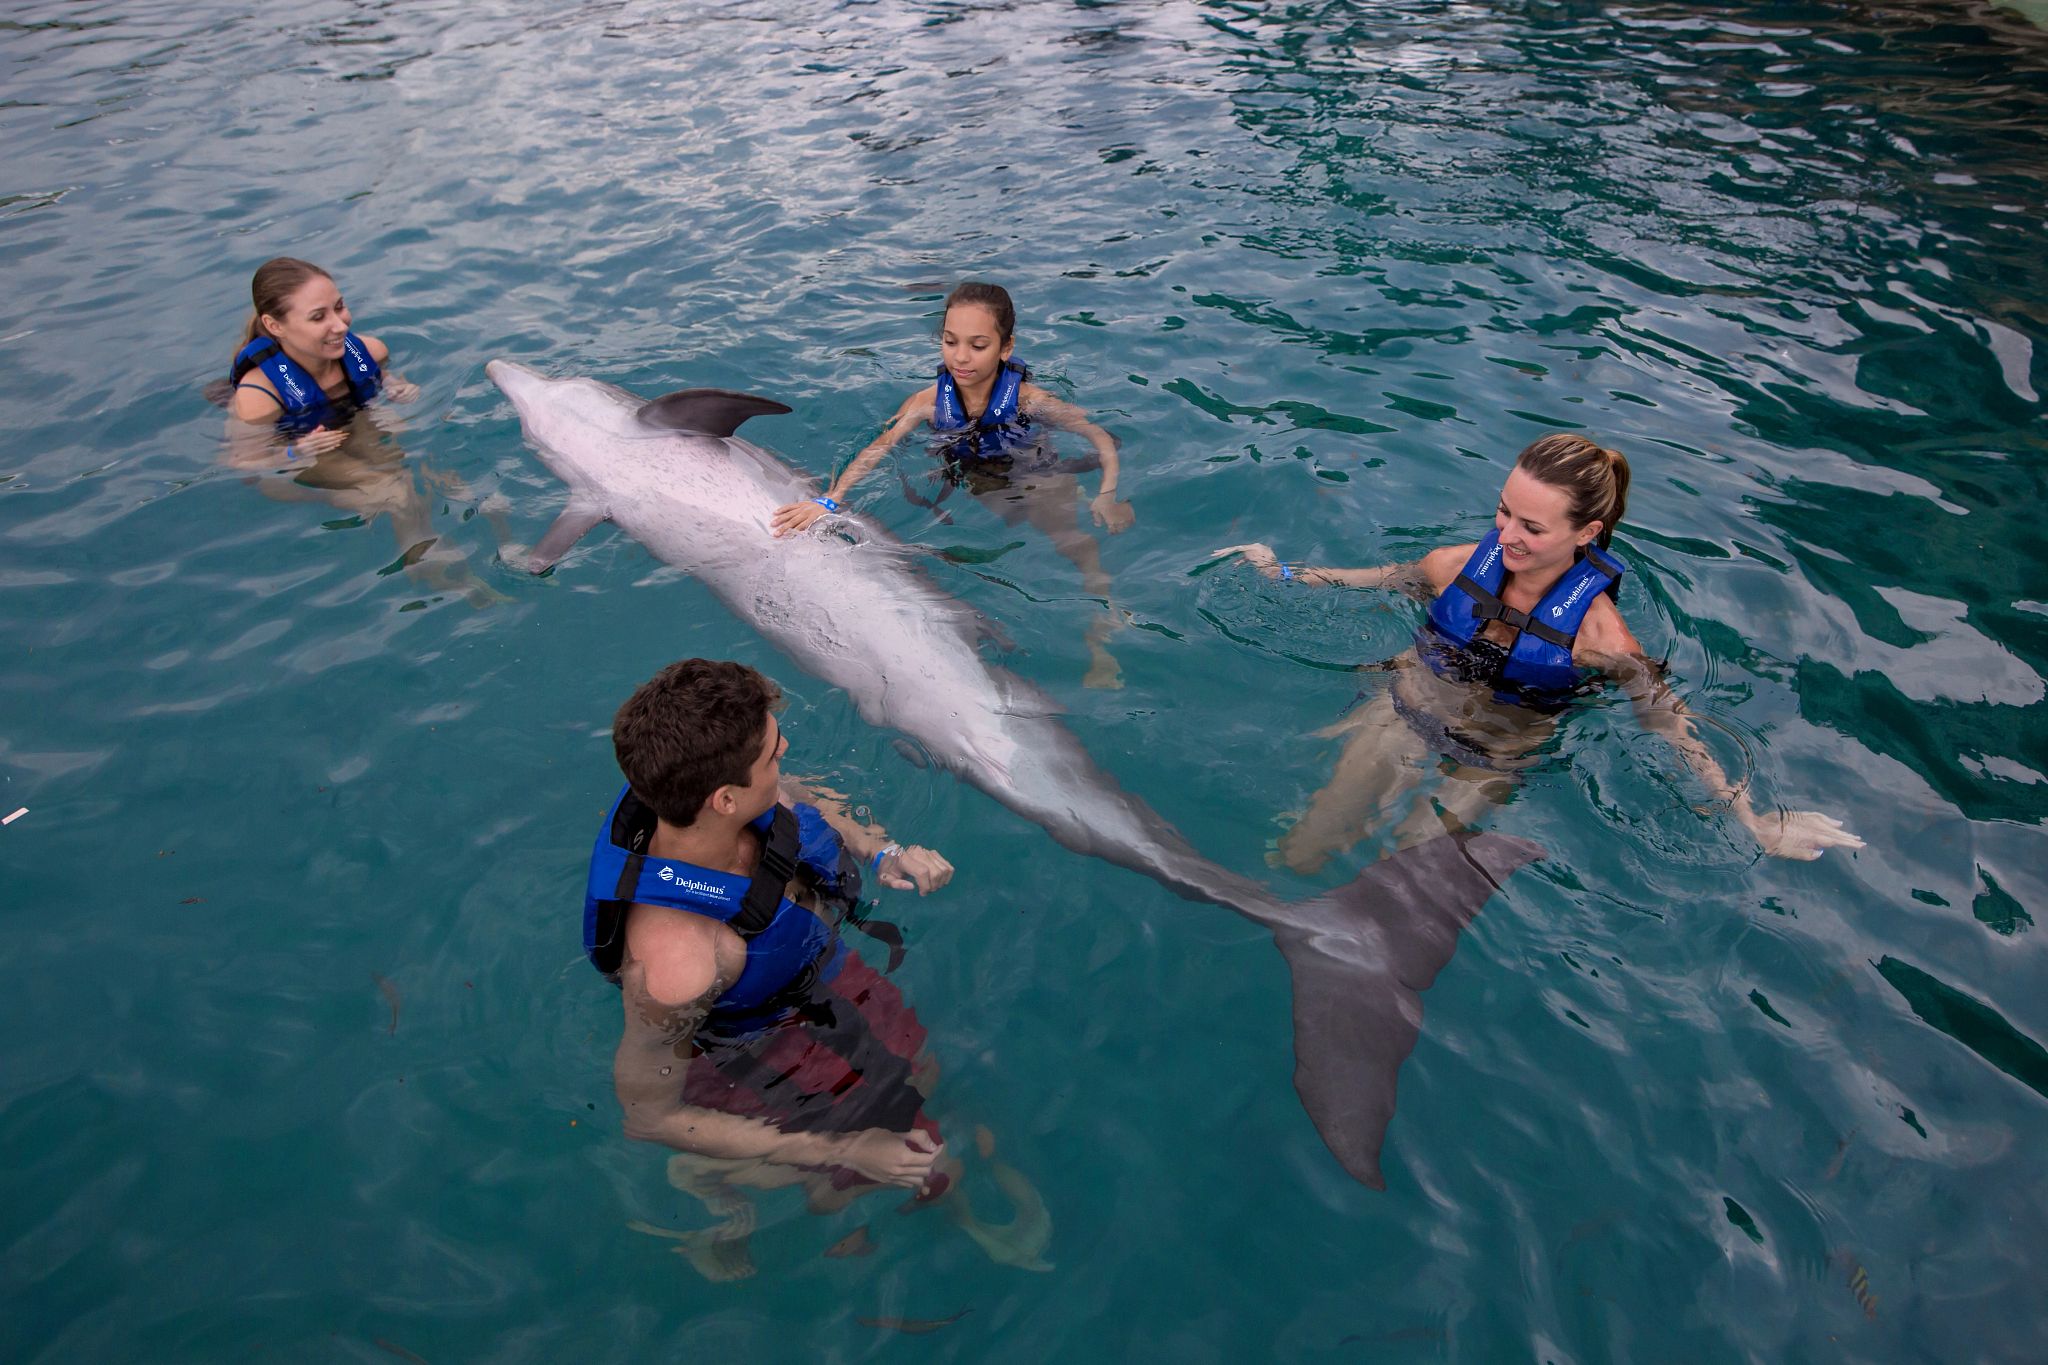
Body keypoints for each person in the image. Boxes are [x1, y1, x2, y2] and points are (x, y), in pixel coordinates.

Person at [1215, 434, 1863, 874]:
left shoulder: (1602, 638)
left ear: (1587, 533)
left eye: (1531, 526)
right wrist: (1279, 571)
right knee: (1304, 850)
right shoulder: (1454, 566)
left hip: (1495, 750)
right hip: (1405, 710)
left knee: (1403, 874)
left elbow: (1670, 723)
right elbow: (1373, 579)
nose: (1506, 535)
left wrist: (1752, 821)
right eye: (1503, 513)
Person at [593, 659, 1045, 1279]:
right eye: (772, 754)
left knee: (925, 1076)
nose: (786, 755)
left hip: (816, 975)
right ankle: (712, 1172)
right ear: (725, 800)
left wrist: (881, 851)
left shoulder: (716, 799)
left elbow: (799, 794)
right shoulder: (678, 963)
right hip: (756, 1043)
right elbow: (649, 1116)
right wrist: (844, 1147)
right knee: (890, 1174)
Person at [769, 281, 1133, 688]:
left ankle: (1105, 634)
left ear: (1006, 348)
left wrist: (1108, 496)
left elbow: (1101, 438)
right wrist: (830, 499)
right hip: (977, 483)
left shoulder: (1029, 400)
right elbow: (879, 447)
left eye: (978, 346)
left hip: (1035, 480)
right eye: (950, 341)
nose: (961, 357)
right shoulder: (926, 402)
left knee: (1076, 548)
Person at [215, 257, 504, 605]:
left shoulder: (369, 350)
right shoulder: (258, 396)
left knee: (428, 472)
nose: (339, 325)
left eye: (339, 307)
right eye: (318, 317)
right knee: (395, 494)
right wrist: (295, 452)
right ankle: (449, 585)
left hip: (349, 425)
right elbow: (242, 463)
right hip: (300, 453)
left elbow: (380, 378)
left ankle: (501, 551)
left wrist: (395, 386)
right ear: (274, 326)